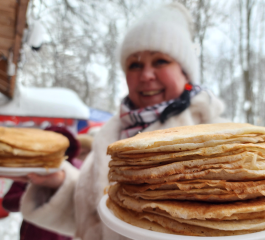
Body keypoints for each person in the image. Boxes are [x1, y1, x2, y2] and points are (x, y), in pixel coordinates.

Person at [4, 3, 227, 240]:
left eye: (160, 61)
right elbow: (92, 219)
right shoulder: (111, 136)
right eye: (135, 64)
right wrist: (59, 181)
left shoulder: (221, 141)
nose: (146, 75)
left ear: (185, 72)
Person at [2, 126, 80, 240]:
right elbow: (8, 203)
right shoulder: (28, 169)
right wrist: (35, 196)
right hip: (33, 233)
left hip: (61, 236)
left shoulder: (77, 170)